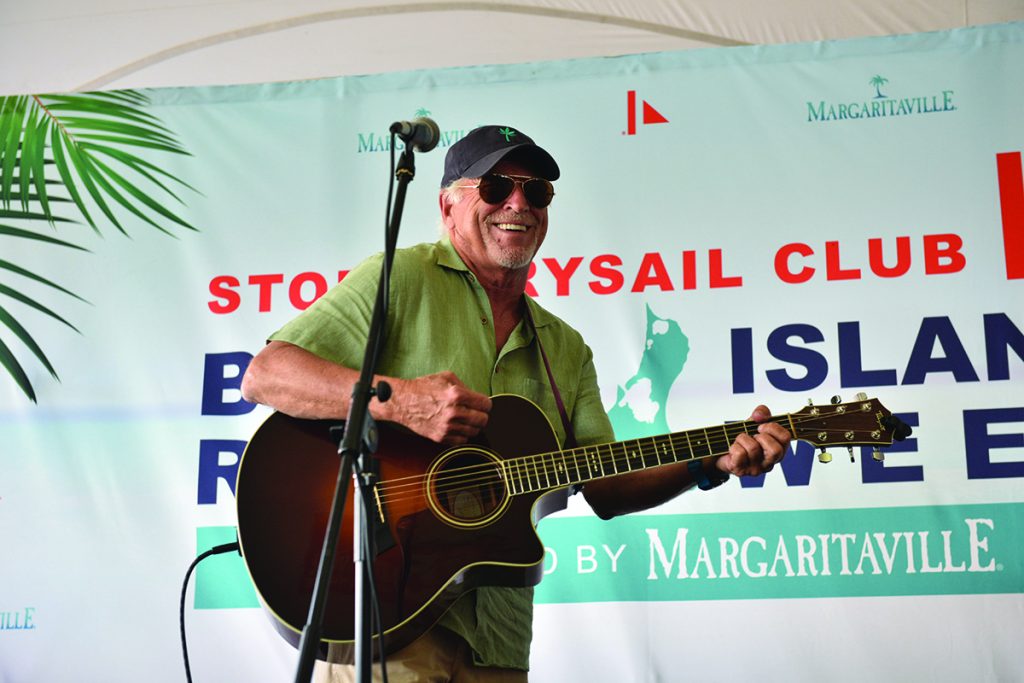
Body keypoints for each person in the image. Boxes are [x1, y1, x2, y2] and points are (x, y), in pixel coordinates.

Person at [241, 124, 791, 682]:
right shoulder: (402, 277)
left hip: (498, 640)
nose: (518, 203)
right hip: (388, 611)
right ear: (449, 204)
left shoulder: (564, 347)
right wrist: (401, 401)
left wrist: (712, 461)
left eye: (537, 191)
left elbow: (605, 484)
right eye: (498, 185)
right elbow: (267, 374)